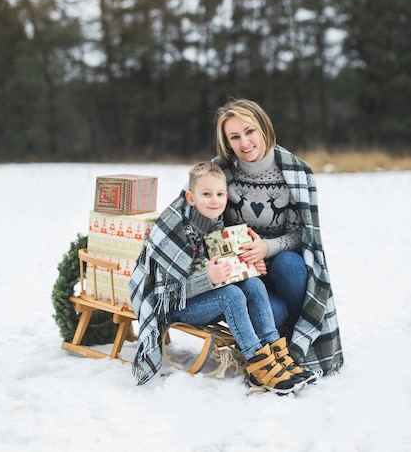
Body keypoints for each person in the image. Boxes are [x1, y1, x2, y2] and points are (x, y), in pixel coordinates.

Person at [129, 161, 313, 392]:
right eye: (206, 194)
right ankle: (257, 363)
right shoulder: (177, 230)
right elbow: (167, 292)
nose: (214, 200)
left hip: (205, 298)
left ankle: (276, 352)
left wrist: (250, 267)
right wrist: (208, 277)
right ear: (191, 198)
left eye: (219, 194)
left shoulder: (216, 226)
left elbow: (228, 268)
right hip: (177, 306)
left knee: (253, 284)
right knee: (231, 295)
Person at [213, 98, 344, 375]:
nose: (244, 142)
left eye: (249, 132)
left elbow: (301, 235)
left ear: (263, 128)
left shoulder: (295, 173)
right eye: (234, 137)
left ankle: (301, 340)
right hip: (247, 272)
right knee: (273, 313)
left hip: (284, 267)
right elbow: (208, 227)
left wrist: (266, 247)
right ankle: (274, 337)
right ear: (226, 141)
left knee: (289, 264)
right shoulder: (219, 175)